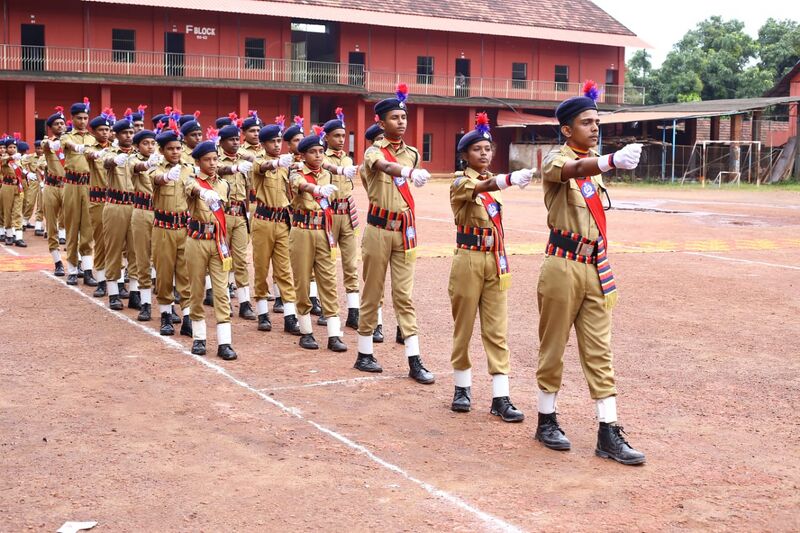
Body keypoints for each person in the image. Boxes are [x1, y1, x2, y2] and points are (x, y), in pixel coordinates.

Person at [534, 81, 645, 465]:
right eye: (586, 122)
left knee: (600, 351)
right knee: (553, 348)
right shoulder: (555, 159)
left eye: (597, 122)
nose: (595, 128)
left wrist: (604, 162)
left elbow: (588, 168)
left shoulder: (593, 164)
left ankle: (608, 431)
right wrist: (610, 161)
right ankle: (546, 419)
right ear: (567, 129)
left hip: (594, 266)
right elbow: (572, 169)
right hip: (562, 265)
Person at [448, 113, 532, 422]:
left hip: (494, 259)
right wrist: (509, 179)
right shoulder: (461, 183)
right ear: (465, 155)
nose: (484, 153)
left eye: (488, 148)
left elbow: (490, 187)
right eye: (477, 149)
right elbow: (481, 187)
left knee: (497, 331)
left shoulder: (492, 186)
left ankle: (501, 396)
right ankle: (462, 387)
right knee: (464, 327)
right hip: (469, 258)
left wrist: (502, 181)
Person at [354, 84, 434, 384]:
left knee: (404, 295)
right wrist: (408, 173)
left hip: (404, 230)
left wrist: (410, 168)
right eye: (394, 117)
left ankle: (414, 359)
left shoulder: (412, 153)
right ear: (380, 122)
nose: (401, 122)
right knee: (372, 292)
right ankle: (364, 353)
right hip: (378, 229)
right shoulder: (373, 151)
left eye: (403, 117)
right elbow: (384, 166)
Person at [288, 127, 347, 352]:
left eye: (321, 151)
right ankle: (306, 332)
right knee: (302, 281)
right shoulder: (296, 172)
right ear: (303, 155)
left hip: (323, 230)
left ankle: (334, 334)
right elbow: (301, 186)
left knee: (328, 281)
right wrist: (317, 189)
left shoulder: (327, 173)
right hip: (302, 231)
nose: (318, 155)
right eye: (313, 152)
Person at [185, 140, 237, 360]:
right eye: (207, 159)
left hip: (217, 241)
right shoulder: (192, 181)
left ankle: (224, 342)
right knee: (196, 289)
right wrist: (203, 193)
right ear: (198, 161)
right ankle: (199, 338)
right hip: (197, 239)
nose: (213, 163)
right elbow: (191, 189)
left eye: (215, 159)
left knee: (221, 291)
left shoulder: (224, 184)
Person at [251, 118, 300, 334]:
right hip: (263, 221)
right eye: (272, 141)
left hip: (282, 222)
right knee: (261, 269)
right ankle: (263, 313)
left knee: (284, 271)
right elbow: (263, 167)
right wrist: (278, 163)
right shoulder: (258, 161)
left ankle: (290, 316)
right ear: (263, 144)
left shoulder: (285, 164)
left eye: (279, 141)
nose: (277, 145)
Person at [149, 125, 193, 337]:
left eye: (178, 148)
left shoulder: (189, 168)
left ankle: (187, 316)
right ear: (162, 150)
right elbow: (154, 178)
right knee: (165, 273)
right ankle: (166, 315)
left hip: (185, 228)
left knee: (186, 274)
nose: (175, 152)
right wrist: (166, 177)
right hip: (163, 228)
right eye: (170, 148)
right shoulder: (156, 166)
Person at [321, 108, 361, 329]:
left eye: (343, 136)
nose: (340, 140)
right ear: (326, 137)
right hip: (328, 214)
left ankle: (353, 311)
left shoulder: (347, 158)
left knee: (350, 264)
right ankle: (327, 308)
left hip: (346, 214)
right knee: (326, 264)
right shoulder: (321, 157)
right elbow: (325, 169)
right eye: (336, 136)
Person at [216, 123, 255, 320]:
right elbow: (217, 170)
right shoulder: (215, 158)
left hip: (239, 214)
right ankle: (224, 300)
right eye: (230, 140)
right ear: (221, 142)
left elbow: (247, 190)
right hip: (221, 215)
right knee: (223, 259)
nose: (235, 143)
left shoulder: (244, 161)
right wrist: (234, 167)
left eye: (236, 139)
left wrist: (247, 212)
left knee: (240, 260)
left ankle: (245, 302)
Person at [101, 117, 139, 311]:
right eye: (125, 133)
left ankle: (134, 292)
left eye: (131, 133)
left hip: (135, 206)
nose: (129, 136)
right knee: (114, 249)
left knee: (135, 250)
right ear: (116, 135)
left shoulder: (139, 154)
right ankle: (114, 292)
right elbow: (105, 163)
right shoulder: (109, 152)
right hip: (115, 205)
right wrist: (115, 160)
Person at [61, 98, 97, 286]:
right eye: (79, 118)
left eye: (85, 118)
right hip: (72, 185)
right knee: (72, 225)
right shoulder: (67, 136)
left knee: (88, 228)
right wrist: (78, 147)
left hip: (89, 185)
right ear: (72, 118)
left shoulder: (93, 139)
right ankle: (73, 270)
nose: (83, 121)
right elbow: (68, 145)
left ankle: (88, 269)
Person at [128, 128, 162, 318]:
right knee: (143, 258)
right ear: (137, 146)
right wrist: (148, 163)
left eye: (152, 143)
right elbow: (136, 167)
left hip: (160, 212)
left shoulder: (161, 162)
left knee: (163, 259)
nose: (149, 147)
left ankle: (168, 306)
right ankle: (146, 303)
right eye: (145, 143)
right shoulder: (134, 160)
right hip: (142, 212)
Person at [85, 109, 115, 297]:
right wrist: (104, 153)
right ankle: (102, 280)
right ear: (94, 132)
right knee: (102, 242)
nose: (105, 132)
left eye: (107, 129)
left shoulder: (117, 147)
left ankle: (117, 281)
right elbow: (92, 156)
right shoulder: (91, 148)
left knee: (119, 243)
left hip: (117, 200)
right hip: (98, 200)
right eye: (101, 130)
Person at [41, 107, 68, 275]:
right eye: (56, 124)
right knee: (52, 225)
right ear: (50, 127)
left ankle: (76, 261)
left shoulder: (71, 143)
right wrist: (53, 143)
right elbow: (46, 145)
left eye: (62, 123)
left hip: (68, 187)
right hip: (51, 187)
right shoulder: (47, 142)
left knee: (73, 225)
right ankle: (57, 261)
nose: (60, 126)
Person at [0, 135, 26, 247]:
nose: (12, 149)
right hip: (7, 187)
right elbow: (4, 160)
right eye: (10, 147)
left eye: (14, 147)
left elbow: (21, 172)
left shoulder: (18, 160)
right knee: (7, 211)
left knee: (18, 211)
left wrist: (27, 174)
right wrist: (12, 157)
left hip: (18, 187)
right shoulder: (4, 158)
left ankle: (19, 237)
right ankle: (9, 235)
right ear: (6, 148)